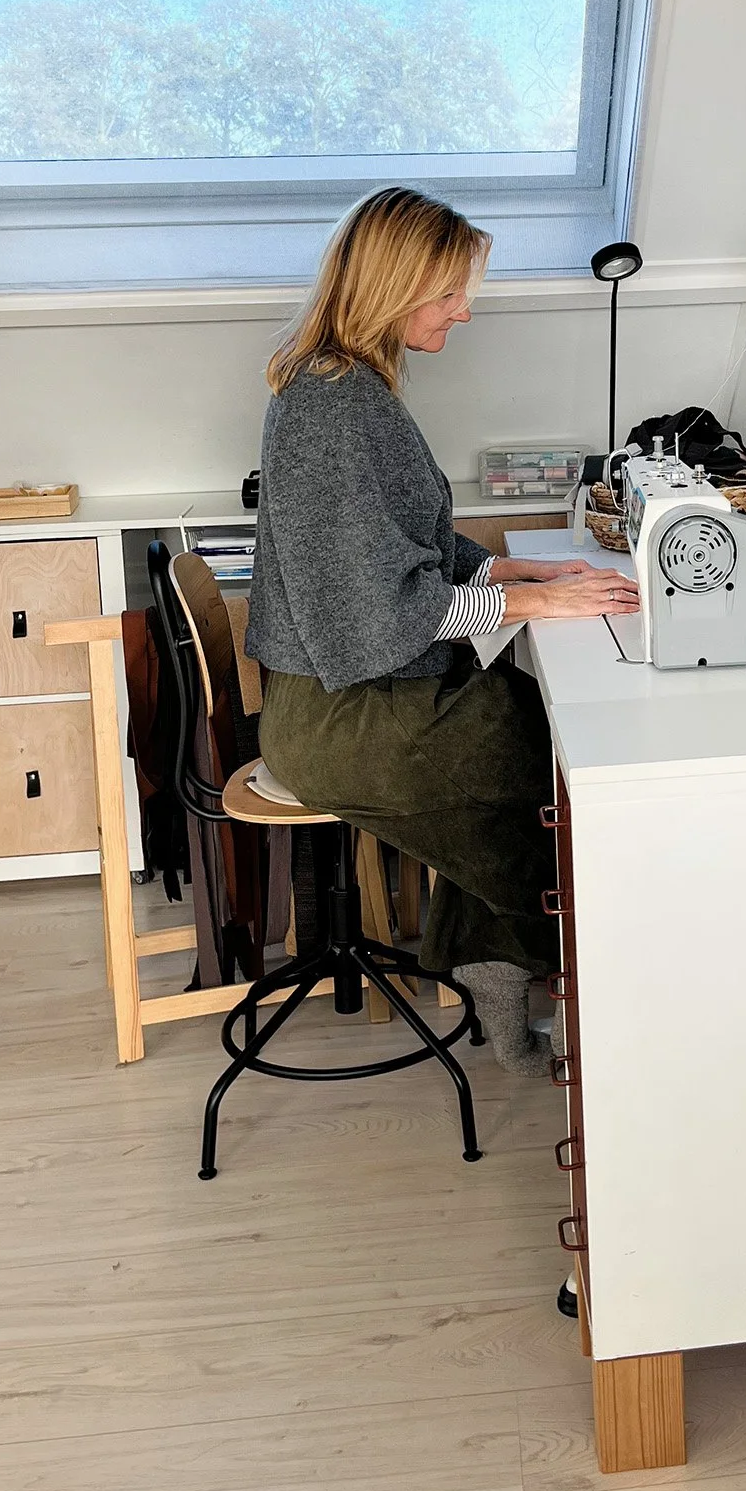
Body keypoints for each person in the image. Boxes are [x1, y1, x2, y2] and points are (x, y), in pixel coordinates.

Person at [245, 187, 639, 1074]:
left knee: (523, 733)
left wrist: (512, 572)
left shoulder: (351, 392)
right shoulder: (331, 408)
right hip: (339, 720)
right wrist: (532, 606)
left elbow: (403, 545)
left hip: (359, 699)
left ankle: (504, 981)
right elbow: (376, 612)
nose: (466, 308)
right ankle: (578, 987)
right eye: (451, 290)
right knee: (544, 765)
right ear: (394, 285)